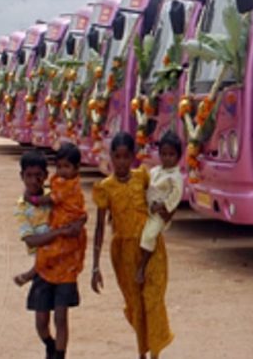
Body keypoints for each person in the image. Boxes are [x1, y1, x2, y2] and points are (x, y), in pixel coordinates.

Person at [92, 132, 174, 358]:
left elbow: (162, 199)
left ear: (133, 158)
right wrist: (95, 267)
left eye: (126, 157)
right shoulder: (105, 188)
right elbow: (99, 228)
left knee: (153, 300)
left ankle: (155, 353)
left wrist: (167, 212)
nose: (121, 162)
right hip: (124, 254)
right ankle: (142, 353)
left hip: (151, 248)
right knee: (136, 305)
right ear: (110, 157)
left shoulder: (143, 178)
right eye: (117, 157)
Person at [18, 148, 87, 359]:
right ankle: (50, 343)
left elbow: (80, 212)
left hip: (65, 265)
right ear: (22, 176)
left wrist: (80, 222)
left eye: (38, 175)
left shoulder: (59, 192)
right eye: (28, 176)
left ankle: (59, 354)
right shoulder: (23, 208)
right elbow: (30, 239)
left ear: (45, 176)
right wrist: (63, 231)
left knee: (61, 317)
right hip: (45, 268)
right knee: (41, 321)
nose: (33, 180)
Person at [136, 131, 183, 285]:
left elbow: (175, 197)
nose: (167, 158)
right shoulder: (155, 170)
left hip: (159, 213)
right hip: (147, 206)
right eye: (163, 154)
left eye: (171, 154)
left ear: (178, 156)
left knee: (149, 235)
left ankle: (142, 267)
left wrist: (163, 206)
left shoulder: (175, 177)